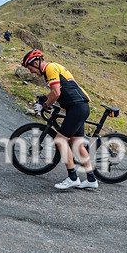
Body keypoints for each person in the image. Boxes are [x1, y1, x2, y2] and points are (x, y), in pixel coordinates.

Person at [21, 49, 98, 190]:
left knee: (60, 139)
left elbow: (56, 93)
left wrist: (44, 105)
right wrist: (46, 98)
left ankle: (73, 177)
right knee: (77, 145)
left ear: (36, 63)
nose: (31, 72)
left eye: (30, 68)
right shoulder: (55, 67)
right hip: (80, 106)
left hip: (76, 107)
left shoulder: (50, 68)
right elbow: (59, 90)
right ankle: (91, 179)